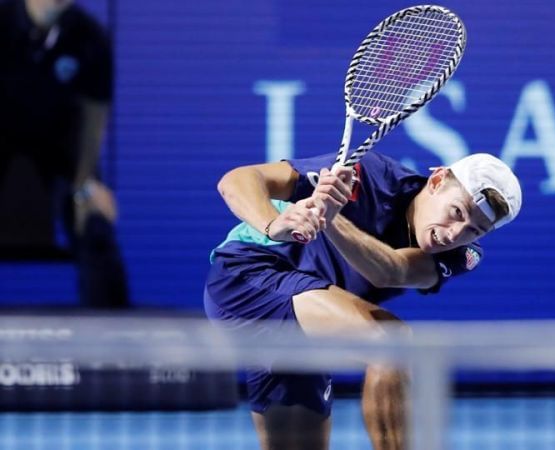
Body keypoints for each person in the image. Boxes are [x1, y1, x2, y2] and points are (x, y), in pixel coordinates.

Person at [205, 150, 522, 450]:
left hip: (303, 325)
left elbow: (390, 271)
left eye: (474, 230)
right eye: (457, 213)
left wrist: (332, 218)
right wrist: (273, 224)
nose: (454, 234)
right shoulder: (366, 175)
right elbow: (237, 180)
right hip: (248, 278)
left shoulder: (464, 255)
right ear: (437, 180)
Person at [0, 0, 128, 308]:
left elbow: (94, 118)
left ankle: (112, 339)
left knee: (94, 217)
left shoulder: (90, 36)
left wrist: (85, 183)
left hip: (59, 145)